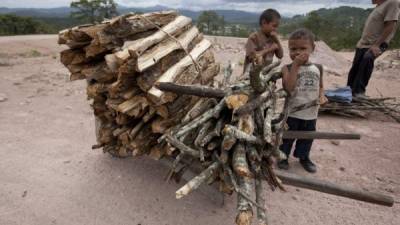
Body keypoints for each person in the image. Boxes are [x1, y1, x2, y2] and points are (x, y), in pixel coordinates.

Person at [278, 28, 327, 173]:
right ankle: (283, 156)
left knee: (307, 137)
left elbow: (321, 85)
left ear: (313, 48)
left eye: (303, 48)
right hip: (292, 113)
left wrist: (322, 95)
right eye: (293, 49)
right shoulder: (286, 68)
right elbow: (289, 88)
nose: (297, 52)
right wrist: (295, 66)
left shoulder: (318, 68)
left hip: (311, 113)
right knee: (287, 137)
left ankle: (304, 157)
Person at [347, 0, 400, 98]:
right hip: (363, 44)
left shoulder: (393, 2)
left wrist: (377, 45)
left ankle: (359, 93)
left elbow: (390, 25)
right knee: (355, 69)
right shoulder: (379, 6)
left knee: (367, 60)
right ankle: (348, 93)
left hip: (375, 44)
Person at [243, 8, 283, 73]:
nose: (276, 29)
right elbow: (252, 57)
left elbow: (280, 55)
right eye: (274, 26)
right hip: (252, 74)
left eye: (277, 27)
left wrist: (277, 40)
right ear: (264, 23)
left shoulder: (273, 38)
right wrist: (270, 49)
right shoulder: (254, 37)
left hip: (266, 73)